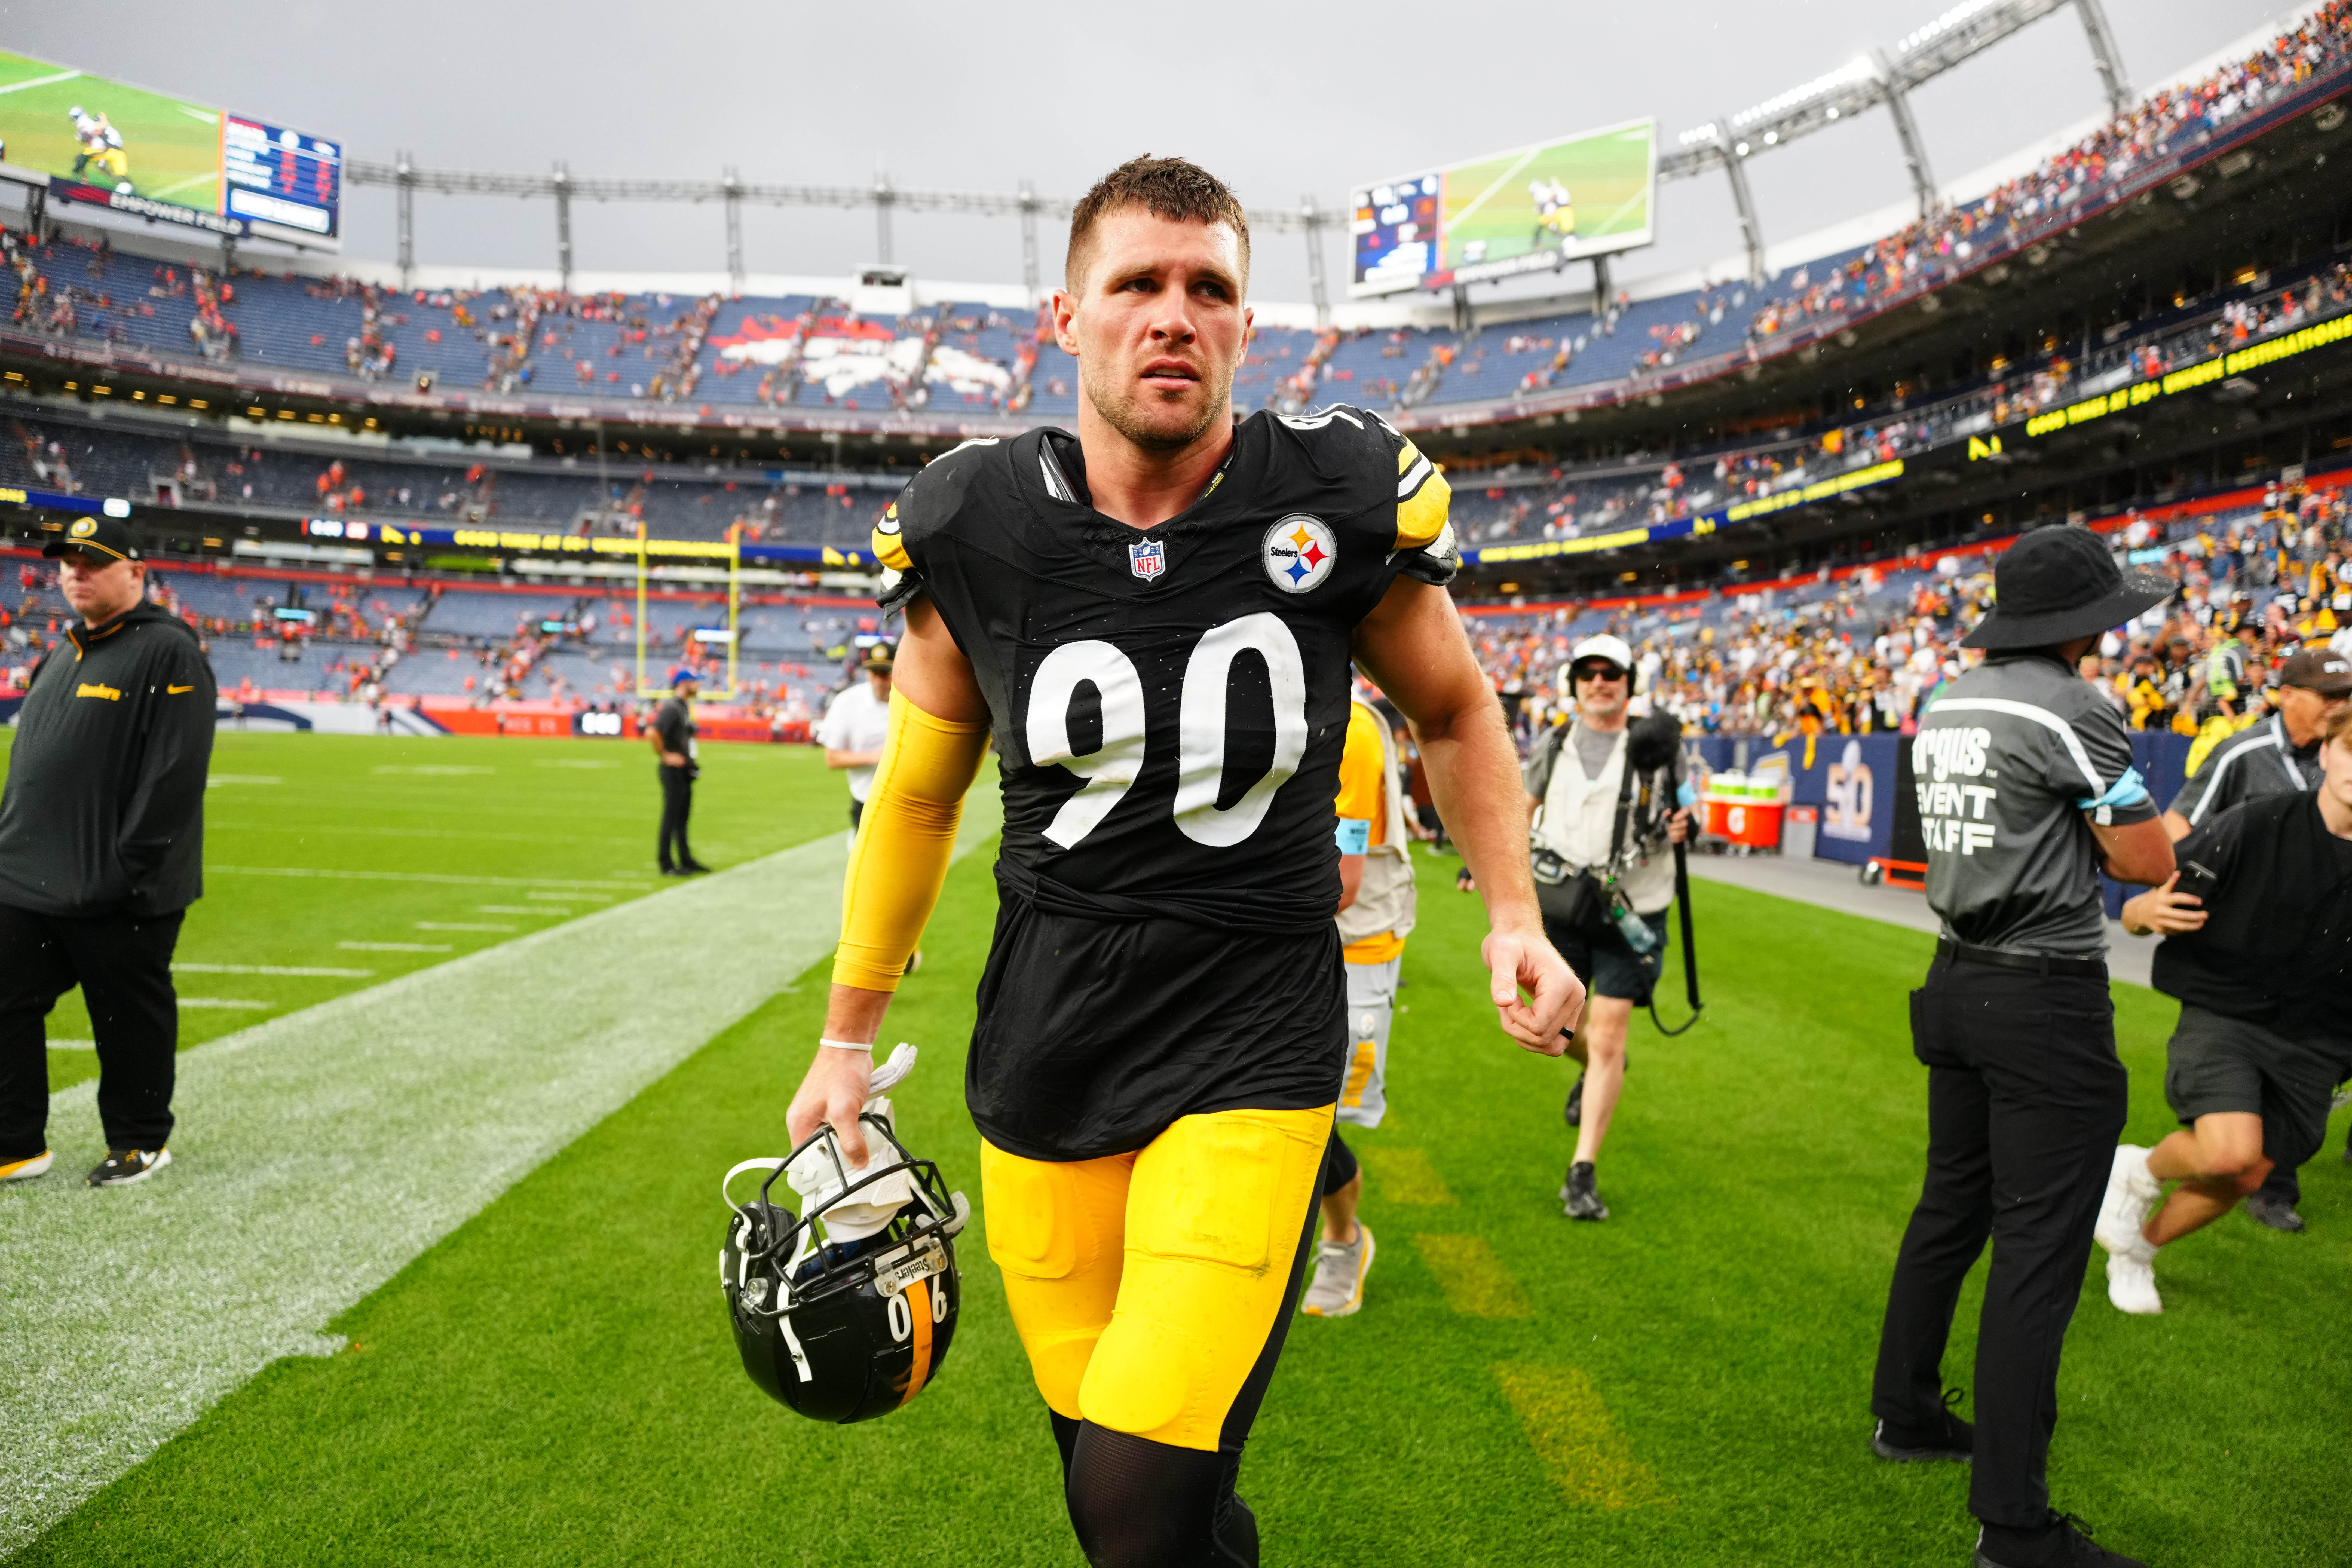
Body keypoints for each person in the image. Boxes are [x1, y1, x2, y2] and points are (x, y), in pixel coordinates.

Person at [781, 156, 1580, 1567]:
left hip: (1254, 1034)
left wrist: (1512, 909)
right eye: (1138, 285)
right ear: (1067, 317)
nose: (1174, 316)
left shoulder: (1331, 494)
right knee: (1125, 1482)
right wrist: (848, 1036)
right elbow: (915, 797)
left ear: (1244, 327)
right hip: (1046, 1043)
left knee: (1135, 1498)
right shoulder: (977, 522)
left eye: (1208, 289)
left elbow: (1453, 706)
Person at [1868, 525, 2177, 1568]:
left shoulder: (1947, 697)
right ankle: (2013, 1524)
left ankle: (1904, 1412)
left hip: (1954, 976)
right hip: (2043, 993)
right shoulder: (2078, 705)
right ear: (2082, 624)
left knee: (1948, 1210)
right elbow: (2141, 858)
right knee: (2037, 1254)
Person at [2094, 701, 2352, 1314]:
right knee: (2228, 1151)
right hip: (2227, 1012)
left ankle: (2137, 1252)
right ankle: (2137, 1171)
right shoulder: (2259, 823)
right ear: (2326, 753)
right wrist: (2138, 914)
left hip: (2322, 1040)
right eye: (2351, 751)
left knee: (2247, 1174)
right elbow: (2146, 896)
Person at [0, 515, 215, 1187]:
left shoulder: (169, 651)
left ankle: (140, 1139)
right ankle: (15, 1142)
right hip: (27, 879)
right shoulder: (62, 650)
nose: (75, 572)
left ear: (137, 573)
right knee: (4, 1001)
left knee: (126, 1017)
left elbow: (175, 774)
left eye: (93, 561)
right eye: (67, 561)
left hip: (118, 888)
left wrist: (128, 866)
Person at [2159, 647, 2350, 1230]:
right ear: (2287, 693)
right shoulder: (2244, 752)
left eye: (2344, 696)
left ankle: (2267, 1181)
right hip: (2246, 951)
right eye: (2328, 695)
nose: (2338, 706)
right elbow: (2181, 819)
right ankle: (2270, 1193)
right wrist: (2178, 890)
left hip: (2322, 964)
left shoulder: (2342, 750)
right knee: (2236, 1147)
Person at [1522, 633, 1690, 1222]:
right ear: (1575, 683)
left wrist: (1684, 824)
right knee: (1556, 1021)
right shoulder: (1557, 739)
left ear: (1629, 682)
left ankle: (1582, 1171)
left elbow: (1693, 810)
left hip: (1633, 907)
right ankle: (1601, 1068)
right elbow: (1525, 802)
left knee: (1611, 1035)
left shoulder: (1661, 746)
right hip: (1565, 903)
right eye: (1589, 672)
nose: (1600, 681)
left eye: (1611, 672)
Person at [1301, 686, 1419, 1318]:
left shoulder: (1345, 727)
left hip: (1351, 943)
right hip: (1283, 931)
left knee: (1312, 1112)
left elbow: (1341, 884)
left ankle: (1344, 1238)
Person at [817, 643, 895, 832]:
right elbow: (833, 758)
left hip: (914, 802)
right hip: (868, 801)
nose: (879, 681)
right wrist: (879, 757)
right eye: (874, 673)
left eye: (885, 673)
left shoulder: (916, 698)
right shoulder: (847, 702)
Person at [649, 668, 708, 877]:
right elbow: (653, 732)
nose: (699, 685)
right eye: (695, 682)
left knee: (682, 818)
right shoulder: (672, 708)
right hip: (672, 771)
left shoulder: (683, 707)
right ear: (683, 684)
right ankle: (666, 864)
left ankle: (686, 859)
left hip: (684, 770)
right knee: (671, 818)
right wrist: (665, 755)